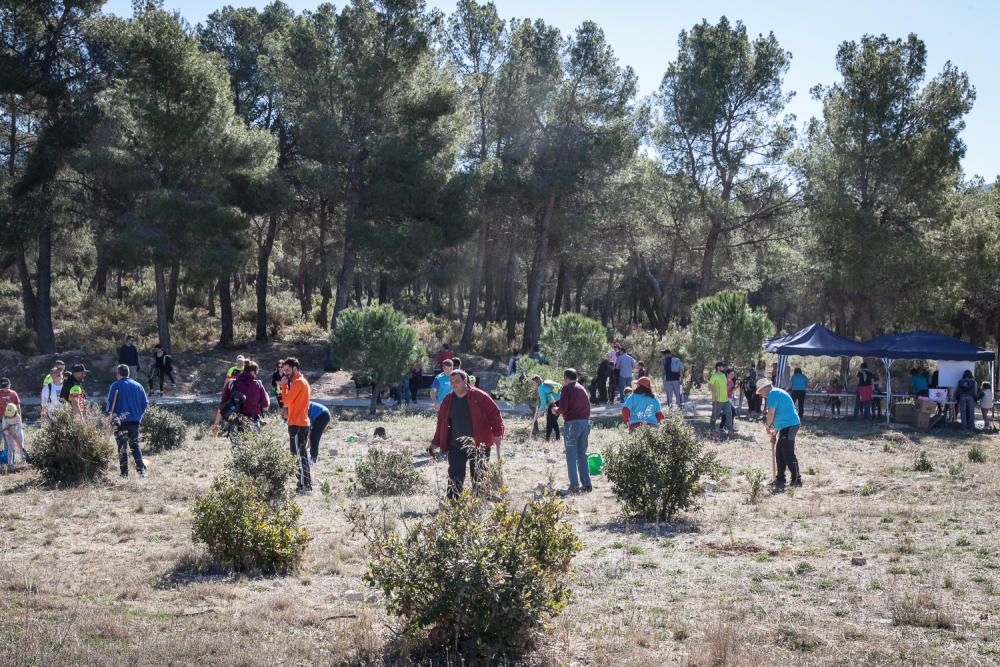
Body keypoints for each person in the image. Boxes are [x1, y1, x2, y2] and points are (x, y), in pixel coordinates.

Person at [429, 369, 505, 499]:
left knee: (479, 475)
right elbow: (441, 422)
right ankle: (453, 502)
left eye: (457, 381)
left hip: (480, 444)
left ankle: (480, 502)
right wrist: (435, 443)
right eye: (452, 382)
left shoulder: (480, 396)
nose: (454, 384)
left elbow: (495, 414)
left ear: (465, 381)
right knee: (455, 474)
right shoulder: (448, 400)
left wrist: (498, 433)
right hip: (456, 445)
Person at [756, 377, 802, 492]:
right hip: (784, 426)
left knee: (787, 453)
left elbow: (771, 413)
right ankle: (780, 479)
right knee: (780, 453)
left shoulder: (773, 393)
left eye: (760, 392)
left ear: (764, 389)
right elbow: (779, 414)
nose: (761, 396)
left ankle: (797, 479)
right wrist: (774, 432)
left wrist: (768, 426)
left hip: (790, 425)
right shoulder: (775, 393)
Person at [551, 369, 592, 496]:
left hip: (572, 425)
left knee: (571, 456)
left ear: (566, 377)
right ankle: (587, 484)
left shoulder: (567, 389)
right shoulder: (582, 388)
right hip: (585, 423)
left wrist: (554, 409)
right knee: (582, 455)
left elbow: (563, 408)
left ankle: (574, 486)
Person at [105, 365, 149, 478]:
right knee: (135, 445)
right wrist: (139, 416)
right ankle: (141, 470)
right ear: (128, 373)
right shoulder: (138, 386)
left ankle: (124, 474)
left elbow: (110, 404)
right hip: (134, 421)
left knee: (122, 448)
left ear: (118, 373)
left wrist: (108, 417)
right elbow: (145, 403)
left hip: (120, 422)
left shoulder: (115, 385)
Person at [280, 357, 312, 493]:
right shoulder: (298, 382)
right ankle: (303, 484)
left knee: (299, 455)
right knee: (298, 454)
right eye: (284, 370)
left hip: (298, 424)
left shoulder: (299, 382)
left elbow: (286, 401)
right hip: (297, 423)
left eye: (287, 370)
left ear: (295, 369)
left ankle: (305, 485)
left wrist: (283, 385)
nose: (285, 373)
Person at [212, 360, 270, 435]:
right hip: (253, 422)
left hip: (235, 423)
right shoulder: (258, 384)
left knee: (237, 446)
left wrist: (216, 424)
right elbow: (266, 407)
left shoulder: (231, 383)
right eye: (256, 373)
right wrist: (267, 396)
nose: (256, 376)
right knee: (252, 446)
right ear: (253, 372)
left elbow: (223, 405)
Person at [531, 375, 562, 442]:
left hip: (554, 402)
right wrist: (554, 394)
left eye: (533, 383)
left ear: (536, 382)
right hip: (559, 400)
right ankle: (549, 438)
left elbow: (543, 401)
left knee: (552, 421)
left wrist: (541, 411)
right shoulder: (545, 383)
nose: (533, 385)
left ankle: (556, 439)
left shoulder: (540, 388)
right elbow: (559, 385)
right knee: (551, 420)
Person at [2, 403, 25, 472]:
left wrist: (16, 434)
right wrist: (9, 433)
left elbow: (20, 426)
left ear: (15, 412)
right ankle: (10, 464)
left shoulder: (18, 416)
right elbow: (4, 428)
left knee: (21, 446)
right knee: (10, 448)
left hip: (18, 431)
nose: (10, 417)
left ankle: (23, 461)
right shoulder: (4, 417)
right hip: (9, 433)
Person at [708, 362, 729, 437]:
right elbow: (709, 386)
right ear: (718, 367)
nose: (723, 368)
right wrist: (715, 391)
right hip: (717, 399)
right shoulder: (714, 375)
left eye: (724, 367)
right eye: (722, 367)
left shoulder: (724, 375)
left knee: (727, 414)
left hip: (725, 399)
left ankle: (727, 429)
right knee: (715, 415)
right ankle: (712, 430)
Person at [725, 367, 738, 435]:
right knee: (731, 413)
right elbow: (725, 390)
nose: (733, 375)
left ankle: (730, 427)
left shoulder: (731, 381)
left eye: (733, 374)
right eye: (731, 374)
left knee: (731, 413)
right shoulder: (725, 381)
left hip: (730, 398)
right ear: (727, 374)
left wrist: (737, 386)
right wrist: (730, 387)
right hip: (726, 399)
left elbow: (732, 390)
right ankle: (728, 427)